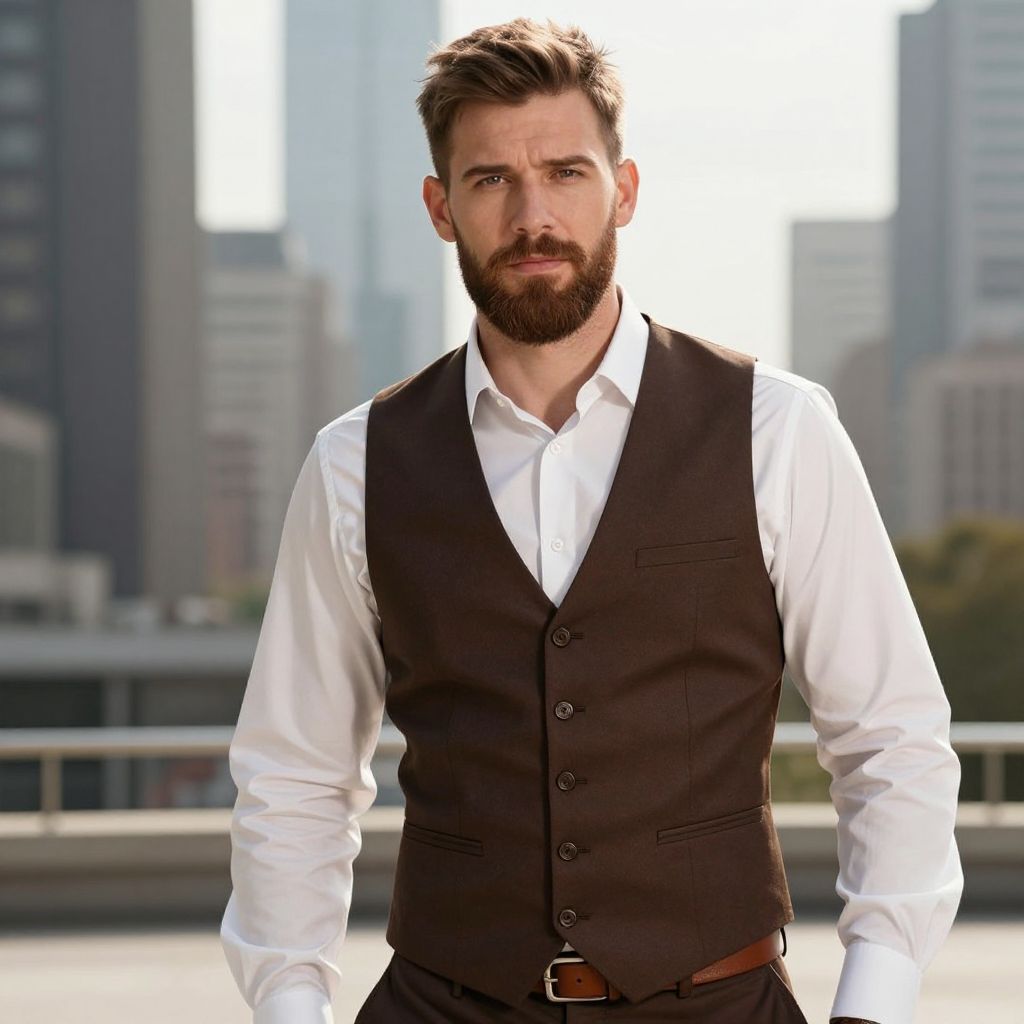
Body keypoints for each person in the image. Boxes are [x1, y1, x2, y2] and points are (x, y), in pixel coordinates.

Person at [220, 17, 963, 1024]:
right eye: (491, 179)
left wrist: (873, 1005)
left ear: (624, 189)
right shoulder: (356, 462)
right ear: (440, 208)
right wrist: (291, 1007)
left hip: (719, 1006)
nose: (533, 216)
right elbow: (295, 776)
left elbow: (891, 739)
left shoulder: (776, 429)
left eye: (566, 172)